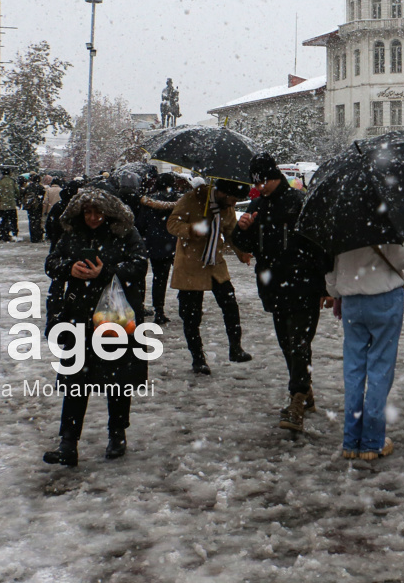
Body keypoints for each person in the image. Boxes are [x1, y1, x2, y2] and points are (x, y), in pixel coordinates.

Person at [42, 188, 149, 467]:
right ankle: (68, 442)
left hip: (115, 316)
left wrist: (106, 272)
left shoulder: (124, 232)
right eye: (87, 212)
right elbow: (51, 263)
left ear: (109, 212)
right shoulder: (72, 233)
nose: (92, 217)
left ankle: (117, 433)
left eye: (98, 212)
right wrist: (69, 268)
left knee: (118, 380)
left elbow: (139, 265)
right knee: (75, 382)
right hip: (78, 317)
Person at [233, 154, 330, 433]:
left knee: (299, 343)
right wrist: (241, 231)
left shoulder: (298, 204)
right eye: (256, 182)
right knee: (287, 344)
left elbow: (318, 246)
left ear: (274, 176)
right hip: (274, 287)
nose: (259, 187)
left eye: (263, 181)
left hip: (304, 285)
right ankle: (305, 391)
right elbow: (247, 244)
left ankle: (296, 399)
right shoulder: (257, 206)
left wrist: (325, 286)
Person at [324, 236, 404, 460]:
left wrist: (335, 293)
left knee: (353, 369)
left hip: (352, 300)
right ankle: (372, 441)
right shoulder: (387, 220)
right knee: (380, 367)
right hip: (384, 296)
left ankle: (351, 441)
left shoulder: (340, 221)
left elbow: (330, 269)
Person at [166, 177, 253, 374]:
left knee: (230, 305)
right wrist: (191, 230)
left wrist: (242, 252)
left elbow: (230, 233)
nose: (233, 204)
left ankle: (235, 348)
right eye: (232, 199)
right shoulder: (191, 199)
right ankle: (198, 359)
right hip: (190, 265)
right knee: (191, 315)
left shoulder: (226, 207)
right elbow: (172, 224)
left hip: (215, 263)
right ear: (222, 192)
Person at [134, 173, 181, 325]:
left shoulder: (149, 201)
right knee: (182, 276)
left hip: (155, 244)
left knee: (159, 279)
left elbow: (141, 224)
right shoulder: (179, 200)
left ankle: (159, 310)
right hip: (176, 243)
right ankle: (186, 306)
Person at [0, 168, 20, 240]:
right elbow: (17, 191)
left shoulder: (0, 182)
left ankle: (4, 233)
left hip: (3, 205)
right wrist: (16, 197)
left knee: (4, 220)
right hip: (12, 204)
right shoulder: (12, 181)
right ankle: (15, 233)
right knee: (13, 220)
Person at [21, 173, 46, 243]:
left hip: (30, 207)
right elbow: (44, 197)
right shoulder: (41, 187)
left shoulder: (28, 187)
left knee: (31, 221)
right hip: (38, 206)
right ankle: (38, 236)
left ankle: (33, 237)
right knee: (38, 221)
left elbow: (23, 195)